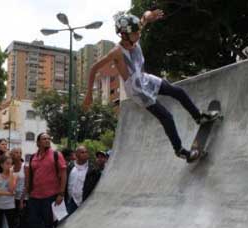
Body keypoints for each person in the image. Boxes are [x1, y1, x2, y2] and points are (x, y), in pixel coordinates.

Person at [84, 10, 217, 162]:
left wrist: (149, 15)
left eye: (138, 31)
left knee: (177, 91)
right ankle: (180, 150)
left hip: (145, 78)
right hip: (137, 90)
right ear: (124, 35)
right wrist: (89, 94)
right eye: (135, 33)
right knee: (166, 116)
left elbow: (144, 18)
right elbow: (94, 68)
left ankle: (199, 117)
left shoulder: (134, 31)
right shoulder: (116, 52)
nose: (139, 34)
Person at [26, 133, 67, 228]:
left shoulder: (56, 155)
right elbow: (30, 176)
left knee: (48, 226)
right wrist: (27, 193)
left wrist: (61, 193)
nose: (47, 140)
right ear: (38, 142)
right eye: (44, 139)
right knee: (35, 224)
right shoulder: (33, 157)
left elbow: (63, 174)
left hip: (50, 197)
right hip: (34, 197)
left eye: (49, 138)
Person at [66, 146, 101, 215]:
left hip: (85, 203)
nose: (85, 154)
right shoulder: (70, 167)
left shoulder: (93, 170)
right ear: (76, 154)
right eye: (82, 152)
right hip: (70, 202)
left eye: (86, 152)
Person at [10, 147, 28, 228]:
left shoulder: (25, 166)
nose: (19, 154)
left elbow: (27, 184)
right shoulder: (11, 169)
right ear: (12, 155)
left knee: (23, 223)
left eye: (20, 152)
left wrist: (21, 200)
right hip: (13, 199)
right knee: (14, 222)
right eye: (16, 152)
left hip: (24, 198)